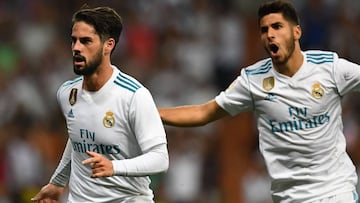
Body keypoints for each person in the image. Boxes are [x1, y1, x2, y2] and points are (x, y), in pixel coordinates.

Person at [159, 0, 360, 202]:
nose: (270, 34)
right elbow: (204, 113)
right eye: (264, 30)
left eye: (277, 27)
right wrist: (152, 113)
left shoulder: (329, 67)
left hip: (335, 191)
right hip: (290, 197)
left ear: (296, 32)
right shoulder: (252, 80)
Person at [31, 6, 169, 203]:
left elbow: (160, 158)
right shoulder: (66, 93)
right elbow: (78, 137)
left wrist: (115, 167)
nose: (77, 48)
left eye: (86, 41)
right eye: (74, 40)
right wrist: (58, 182)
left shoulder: (134, 96)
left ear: (108, 45)